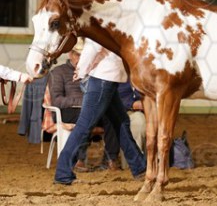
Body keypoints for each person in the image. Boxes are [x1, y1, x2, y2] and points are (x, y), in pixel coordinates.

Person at [54, 38, 146, 185]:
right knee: (85, 126)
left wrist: (82, 70)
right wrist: (81, 70)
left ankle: (140, 167)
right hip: (103, 78)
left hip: (109, 77)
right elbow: (94, 46)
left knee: (121, 122)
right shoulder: (105, 25)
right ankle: (63, 173)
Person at [48, 38, 120, 172]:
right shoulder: (58, 72)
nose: (81, 58)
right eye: (77, 55)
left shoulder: (93, 71)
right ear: (70, 54)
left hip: (92, 108)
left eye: (83, 55)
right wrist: (84, 103)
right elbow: (57, 100)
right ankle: (79, 160)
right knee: (87, 117)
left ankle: (111, 159)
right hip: (68, 111)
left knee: (111, 118)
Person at [118, 82, 146, 153]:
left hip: (151, 112)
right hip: (125, 111)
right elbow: (112, 98)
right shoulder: (119, 77)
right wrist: (132, 104)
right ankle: (137, 158)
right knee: (138, 121)